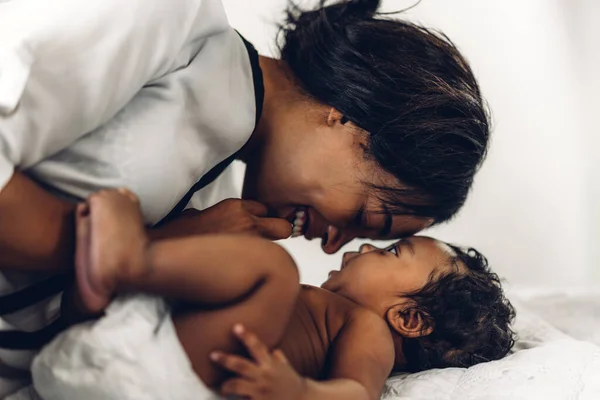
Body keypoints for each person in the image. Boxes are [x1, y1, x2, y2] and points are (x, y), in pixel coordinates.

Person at [0, 0, 490, 396]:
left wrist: (170, 246)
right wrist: (138, 247)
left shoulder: (213, 202)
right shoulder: (164, 19)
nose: (334, 246)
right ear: (347, 119)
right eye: (367, 216)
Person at [30, 188, 515, 400]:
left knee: (274, 269)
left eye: (392, 254)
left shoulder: (369, 333)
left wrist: (296, 392)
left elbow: (356, 394)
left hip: (166, 378)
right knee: (228, 276)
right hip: (119, 351)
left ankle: (127, 260)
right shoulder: (333, 314)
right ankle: (100, 289)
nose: (368, 244)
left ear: (408, 319)